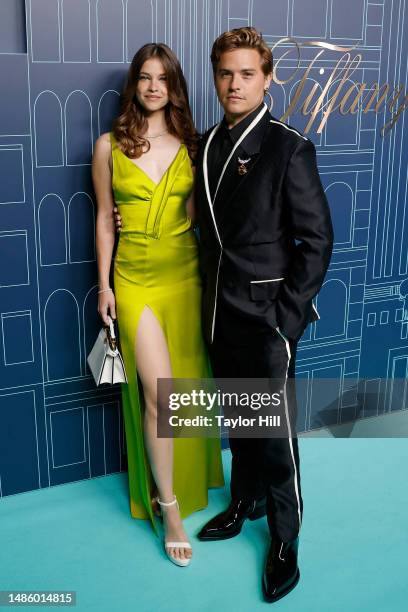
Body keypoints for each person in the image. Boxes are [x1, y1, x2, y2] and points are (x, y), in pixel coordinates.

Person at [193, 27, 334, 602]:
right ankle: (244, 500)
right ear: (216, 76)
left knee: (274, 433)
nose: (234, 83)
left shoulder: (287, 146)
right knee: (241, 419)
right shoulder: (205, 145)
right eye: (226, 72)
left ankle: (284, 538)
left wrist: (287, 318)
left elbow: (317, 240)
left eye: (247, 73)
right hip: (218, 312)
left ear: (268, 78)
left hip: (267, 317)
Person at [92, 42, 224, 568]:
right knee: (159, 394)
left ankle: (185, 485)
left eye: (162, 78)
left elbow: (199, 217)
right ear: (134, 85)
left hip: (185, 277)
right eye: (144, 77)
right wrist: (104, 287)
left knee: (187, 389)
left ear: (174, 87)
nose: (152, 86)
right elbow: (104, 218)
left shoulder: (193, 146)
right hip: (135, 280)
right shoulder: (108, 146)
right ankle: (168, 509)